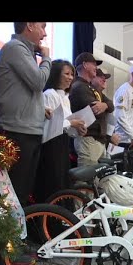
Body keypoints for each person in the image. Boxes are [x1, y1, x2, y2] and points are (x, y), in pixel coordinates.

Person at [0, 22, 51, 265]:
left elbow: (29, 92)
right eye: (42, 26)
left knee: (21, 192)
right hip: (17, 132)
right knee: (13, 193)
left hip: (28, 131)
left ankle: (16, 243)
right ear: (29, 25)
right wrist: (47, 59)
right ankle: (7, 250)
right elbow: (38, 81)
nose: (45, 33)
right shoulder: (15, 48)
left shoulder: (24, 52)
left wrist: (41, 109)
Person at [34, 60, 87, 203]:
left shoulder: (65, 97)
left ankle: (63, 217)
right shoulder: (49, 94)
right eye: (67, 74)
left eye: (72, 74)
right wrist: (71, 123)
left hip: (62, 144)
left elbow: (66, 125)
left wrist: (78, 128)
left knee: (63, 182)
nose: (70, 77)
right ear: (56, 74)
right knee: (53, 182)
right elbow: (50, 123)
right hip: (51, 145)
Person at [69, 52, 114, 166]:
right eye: (94, 64)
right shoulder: (79, 86)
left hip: (97, 140)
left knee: (99, 179)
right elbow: (95, 111)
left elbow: (111, 105)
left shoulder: (91, 88)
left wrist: (104, 105)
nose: (96, 67)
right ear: (85, 65)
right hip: (88, 139)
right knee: (87, 180)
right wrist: (103, 107)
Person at [90, 68, 120, 148]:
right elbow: (97, 116)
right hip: (92, 139)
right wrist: (109, 136)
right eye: (100, 76)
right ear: (92, 78)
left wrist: (105, 105)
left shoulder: (101, 95)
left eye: (105, 78)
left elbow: (111, 105)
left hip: (102, 140)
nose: (104, 79)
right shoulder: (90, 92)